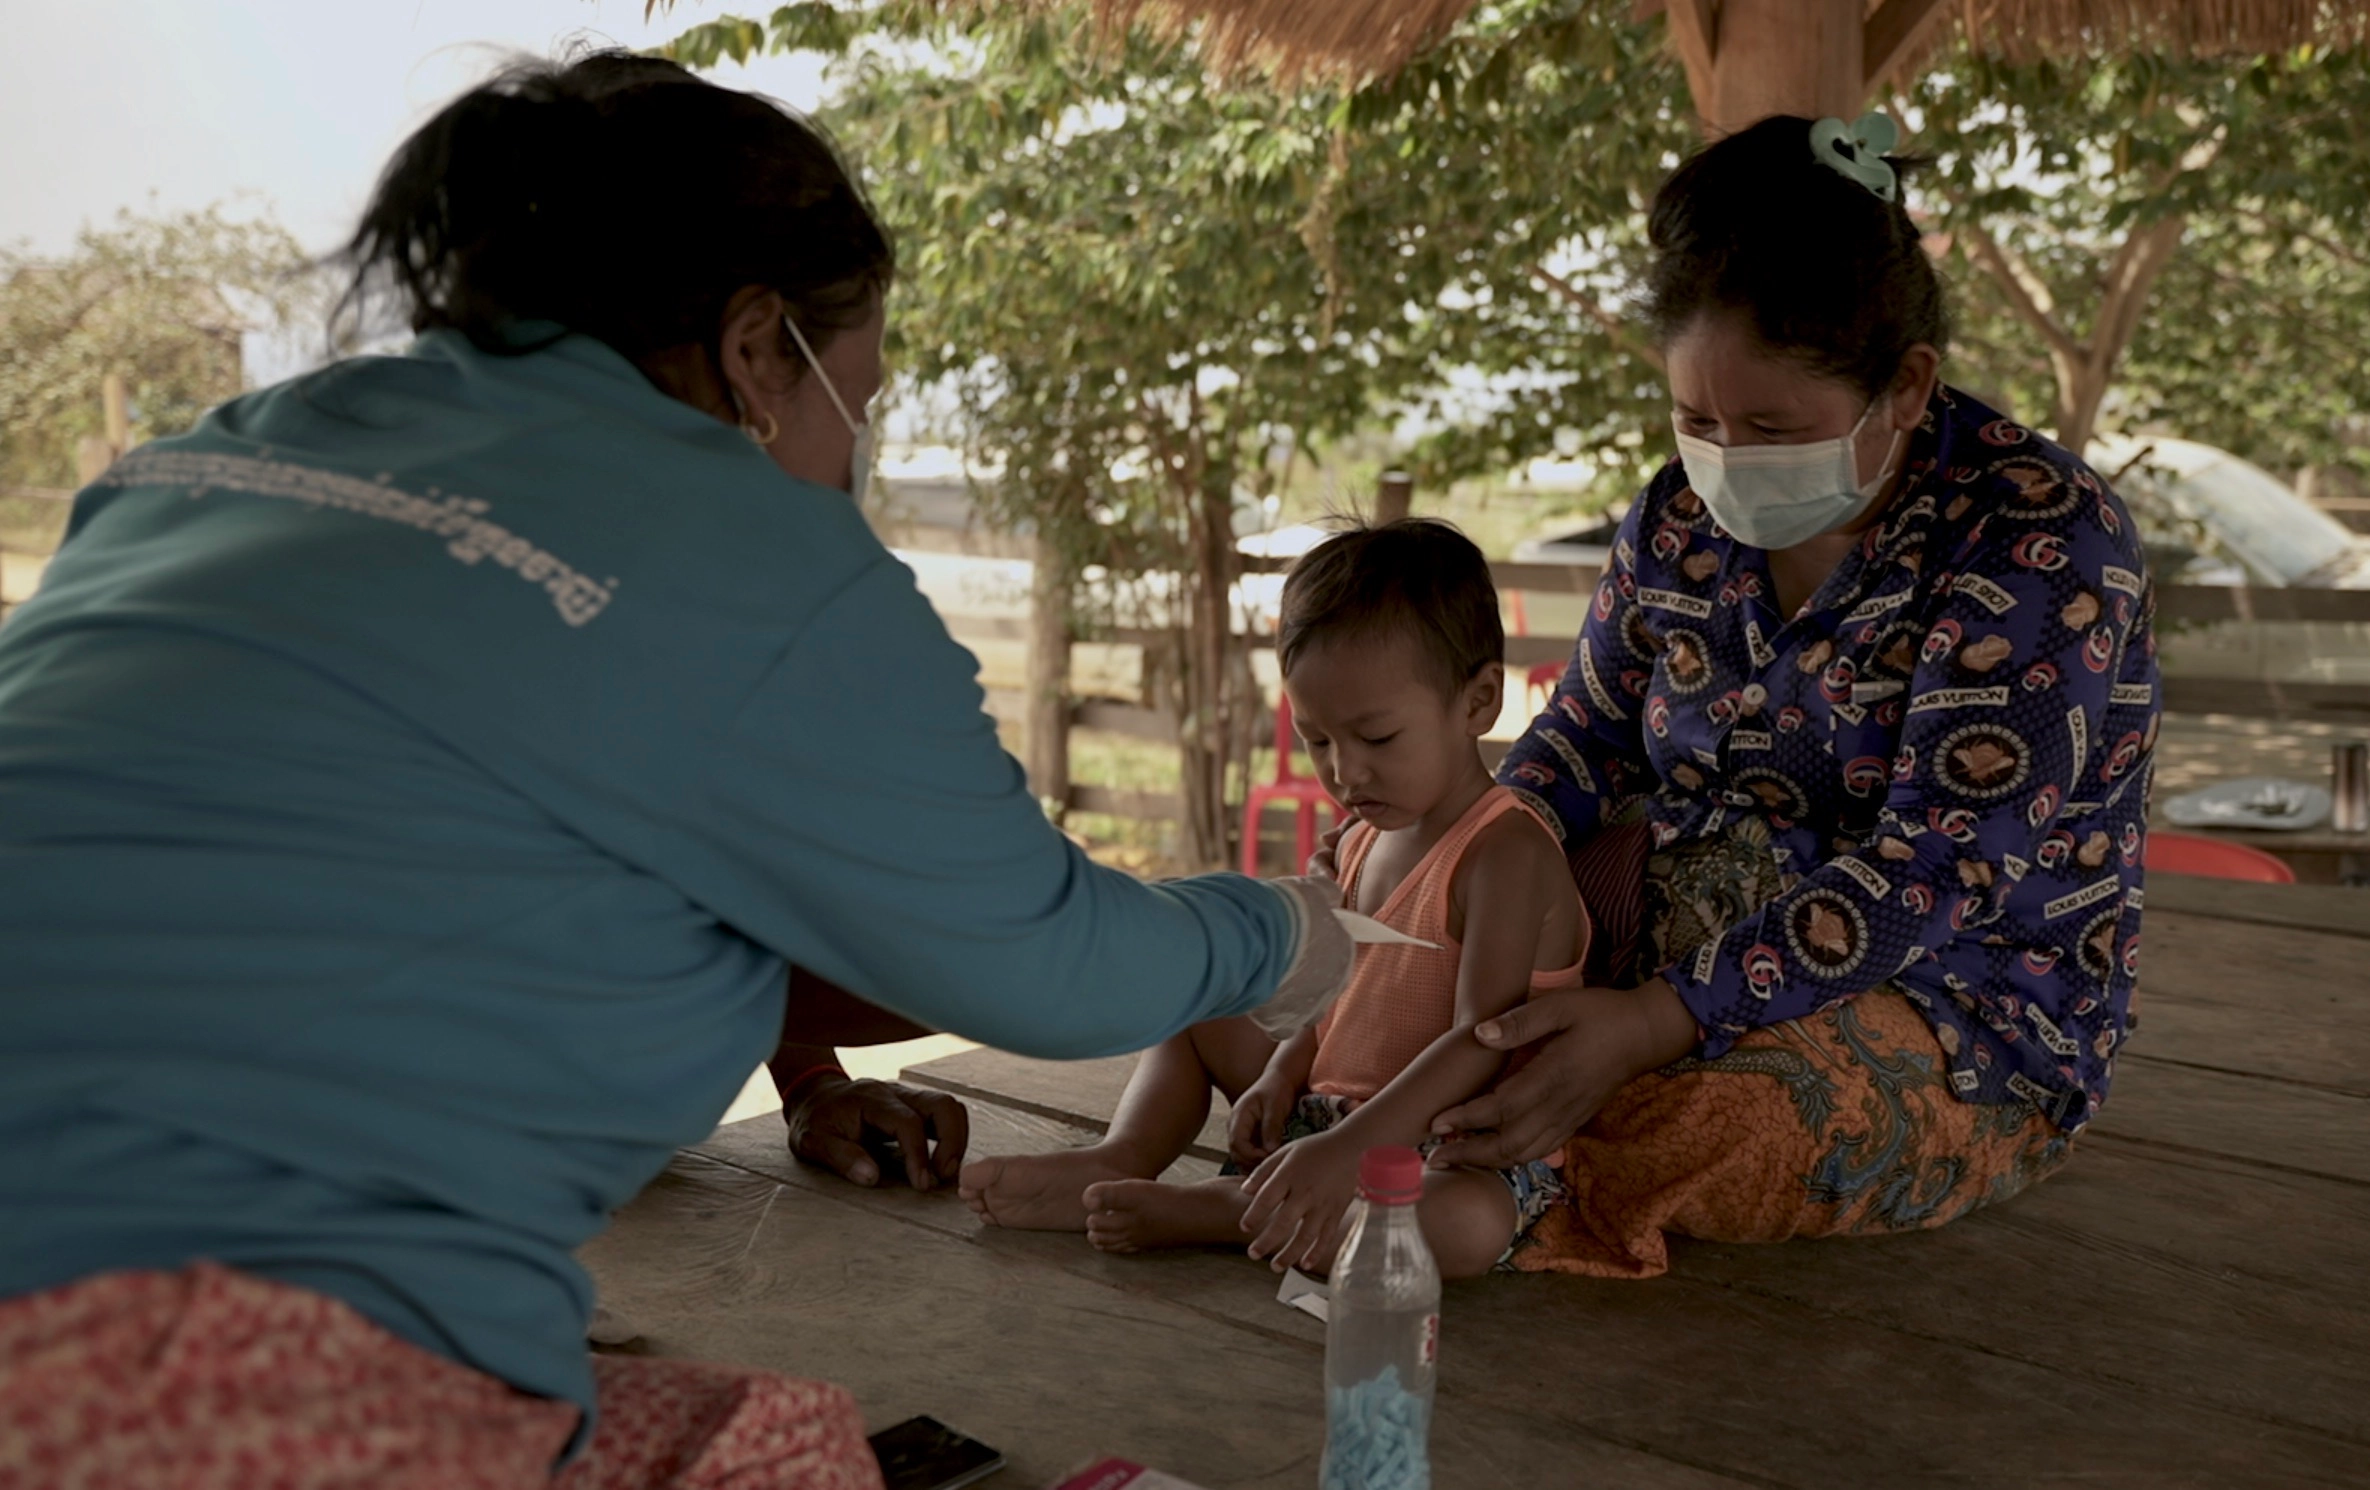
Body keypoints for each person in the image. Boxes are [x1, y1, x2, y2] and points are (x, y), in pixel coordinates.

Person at [0, 53, 1354, 1490]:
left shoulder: (231, 454)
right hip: (153, 1356)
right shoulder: (756, 553)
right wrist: (1275, 931)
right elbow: (1045, 965)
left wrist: (807, 1068)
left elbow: (476, 854)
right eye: (863, 393)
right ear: (762, 348)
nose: (852, 456)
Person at [1408, 112, 2159, 1278]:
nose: (1724, 462)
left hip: (1957, 1013)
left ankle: (1443, 1184)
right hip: (1655, 953)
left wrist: (1654, 1020)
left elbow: (1936, 865)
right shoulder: (1673, 518)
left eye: (1771, 427)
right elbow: (1585, 736)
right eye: (1697, 420)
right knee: (1429, 991)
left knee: (1729, 1122)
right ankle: (1408, 1150)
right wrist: (1451, 861)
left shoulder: (2037, 539)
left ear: (1905, 386)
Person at [961, 520, 1592, 1279]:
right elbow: (1337, 999)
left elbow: (1478, 1042)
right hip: (1331, 1123)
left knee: (1462, 1227)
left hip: (1459, 1147)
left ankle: (1235, 1212)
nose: (1345, 772)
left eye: (1377, 738)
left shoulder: (1506, 852)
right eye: (1318, 741)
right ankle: (1125, 1155)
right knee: (1202, 1000)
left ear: (1479, 701)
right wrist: (1281, 1077)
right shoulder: (1362, 839)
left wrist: (1349, 1150)